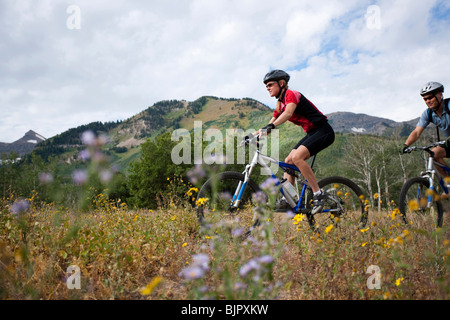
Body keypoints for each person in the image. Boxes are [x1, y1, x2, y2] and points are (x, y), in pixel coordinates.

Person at [256, 70, 335, 214]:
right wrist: (254, 135)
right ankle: (288, 199)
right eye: (266, 86)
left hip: (323, 130)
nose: (267, 88)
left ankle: (318, 193)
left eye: (270, 84)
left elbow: (288, 114)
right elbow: (271, 122)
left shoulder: (291, 94)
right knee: (288, 161)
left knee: (297, 157)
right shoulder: (280, 103)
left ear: (281, 83)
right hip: (312, 132)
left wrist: (272, 127)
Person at [402, 81, 450, 178]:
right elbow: (416, 132)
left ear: (440, 95)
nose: (428, 101)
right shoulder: (428, 114)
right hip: (448, 143)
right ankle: (448, 182)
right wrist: (405, 145)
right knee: (433, 153)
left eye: (430, 97)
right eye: (425, 99)